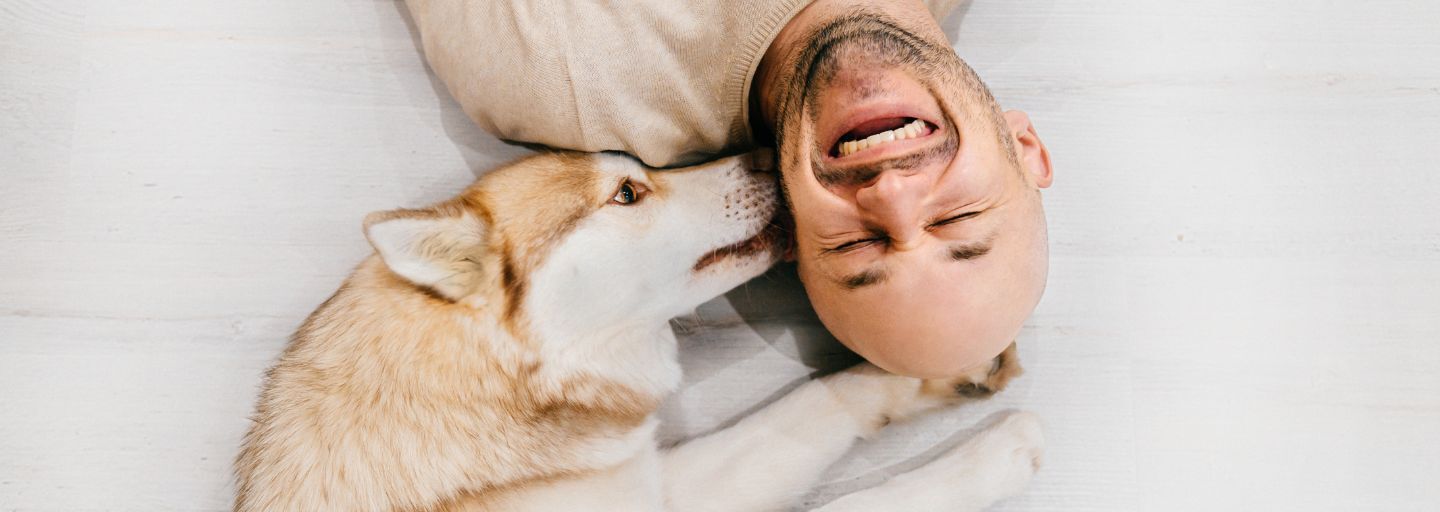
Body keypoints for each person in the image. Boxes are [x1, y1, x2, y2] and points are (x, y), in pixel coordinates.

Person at [402, 0, 1055, 378]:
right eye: (958, 217)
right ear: (1023, 147)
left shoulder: (561, 75)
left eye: (860, 244)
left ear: (788, 226)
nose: (891, 194)